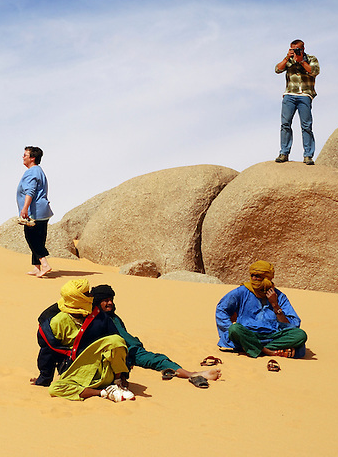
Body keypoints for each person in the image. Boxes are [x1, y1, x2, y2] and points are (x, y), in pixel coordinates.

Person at [33, 284, 220, 389]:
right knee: (156, 360)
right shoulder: (95, 319)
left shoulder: (110, 317)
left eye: (111, 299)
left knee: (158, 360)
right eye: (105, 300)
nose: (109, 303)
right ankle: (193, 374)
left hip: (132, 351)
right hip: (124, 355)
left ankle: (191, 374)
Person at [44, 280, 135, 402]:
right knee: (55, 389)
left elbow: (118, 347)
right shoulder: (58, 321)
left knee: (116, 340)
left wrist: (123, 375)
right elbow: (48, 351)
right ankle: (104, 392)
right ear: (77, 298)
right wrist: (44, 378)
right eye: (87, 294)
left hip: (105, 370)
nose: (91, 296)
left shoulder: (100, 316)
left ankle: (117, 384)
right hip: (78, 373)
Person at [215, 260, 308, 359]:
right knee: (234, 329)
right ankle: (268, 351)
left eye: (258, 276)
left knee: (301, 335)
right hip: (248, 334)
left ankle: (252, 348)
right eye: (252, 275)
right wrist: (228, 330)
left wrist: (275, 305)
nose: (254, 278)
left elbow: (293, 325)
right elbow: (221, 309)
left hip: (273, 336)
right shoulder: (242, 292)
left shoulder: (279, 296)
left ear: (267, 278)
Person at [274, 39, 320, 165]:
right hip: (290, 94)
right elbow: (277, 69)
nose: (295, 51)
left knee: (306, 126)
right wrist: (286, 58)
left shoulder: (311, 59)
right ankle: (284, 153)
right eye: (292, 49)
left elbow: (314, 71)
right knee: (285, 124)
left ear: (303, 48)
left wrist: (301, 61)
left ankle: (308, 155)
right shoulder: (288, 60)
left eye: (297, 49)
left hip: (305, 94)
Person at [17, 146, 53, 278]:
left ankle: (44, 264)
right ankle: (36, 267)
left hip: (35, 211)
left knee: (31, 238)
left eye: (25, 155)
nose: (23, 157)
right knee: (39, 238)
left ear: (32, 158)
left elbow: (30, 191)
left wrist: (25, 208)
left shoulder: (32, 172)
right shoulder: (39, 171)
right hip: (42, 210)